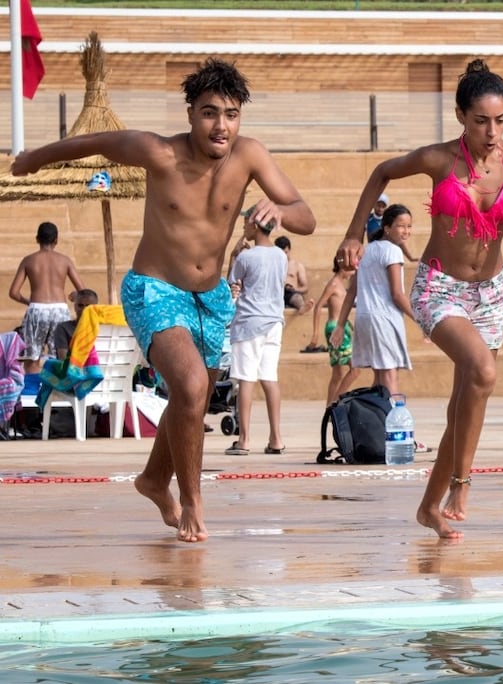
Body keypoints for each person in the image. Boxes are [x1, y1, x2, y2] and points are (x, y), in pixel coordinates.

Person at [11, 58, 316, 542]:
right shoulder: (158, 152)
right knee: (193, 387)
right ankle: (193, 503)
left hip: (212, 298)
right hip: (153, 288)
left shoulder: (250, 156)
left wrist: (280, 208)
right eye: (211, 113)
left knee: (189, 402)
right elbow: (94, 143)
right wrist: (35, 158)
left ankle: (154, 480)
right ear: (191, 113)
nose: (222, 126)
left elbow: (306, 217)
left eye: (232, 114)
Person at [335, 59, 503, 539]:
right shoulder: (439, 159)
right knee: (483, 372)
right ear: (461, 116)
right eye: (481, 121)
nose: (493, 131)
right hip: (441, 287)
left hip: (492, 290)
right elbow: (381, 172)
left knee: (465, 402)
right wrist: (355, 233)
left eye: (501, 120)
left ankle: (427, 508)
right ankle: (461, 481)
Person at [332, 203, 414, 396]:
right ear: (387, 227)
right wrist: (420, 319)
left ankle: (376, 421)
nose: (406, 231)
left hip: (364, 318)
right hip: (384, 319)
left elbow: (352, 291)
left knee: (378, 378)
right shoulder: (393, 251)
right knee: (390, 376)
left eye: (409, 226)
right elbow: (397, 294)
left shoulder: (365, 251)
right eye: (401, 226)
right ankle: (390, 423)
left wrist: (341, 324)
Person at [226, 218, 289, 456]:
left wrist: (233, 256)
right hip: (274, 321)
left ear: (255, 227)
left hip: (249, 321)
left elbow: (232, 283)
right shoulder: (281, 256)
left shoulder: (245, 257)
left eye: (245, 225)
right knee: (269, 378)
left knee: (246, 380)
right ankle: (276, 438)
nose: (244, 229)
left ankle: (244, 439)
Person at [8, 222, 85, 373]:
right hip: (60, 310)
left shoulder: (28, 260)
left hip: (37, 310)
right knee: (59, 356)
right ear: (56, 240)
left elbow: (14, 292)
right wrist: (75, 296)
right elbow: (83, 292)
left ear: (37, 239)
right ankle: (58, 392)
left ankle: (32, 392)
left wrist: (29, 302)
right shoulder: (65, 261)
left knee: (32, 359)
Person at [308, 257, 361, 404]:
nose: (353, 271)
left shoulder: (341, 285)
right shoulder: (333, 284)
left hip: (342, 327)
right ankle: (336, 403)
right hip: (335, 329)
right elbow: (319, 306)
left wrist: (350, 326)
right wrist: (315, 333)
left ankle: (329, 408)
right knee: (355, 369)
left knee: (337, 374)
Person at [51, 289, 100, 361]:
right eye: (80, 305)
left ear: (96, 307)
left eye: (88, 306)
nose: (84, 309)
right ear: (75, 306)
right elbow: (63, 359)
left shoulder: (103, 328)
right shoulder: (63, 328)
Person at [273, 236, 313, 314]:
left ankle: (302, 307)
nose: (283, 255)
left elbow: (305, 287)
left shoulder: (297, 266)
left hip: (291, 294)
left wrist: (294, 289)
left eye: (286, 252)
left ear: (289, 250)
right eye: (281, 253)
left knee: (297, 297)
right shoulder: (273, 266)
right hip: (277, 294)